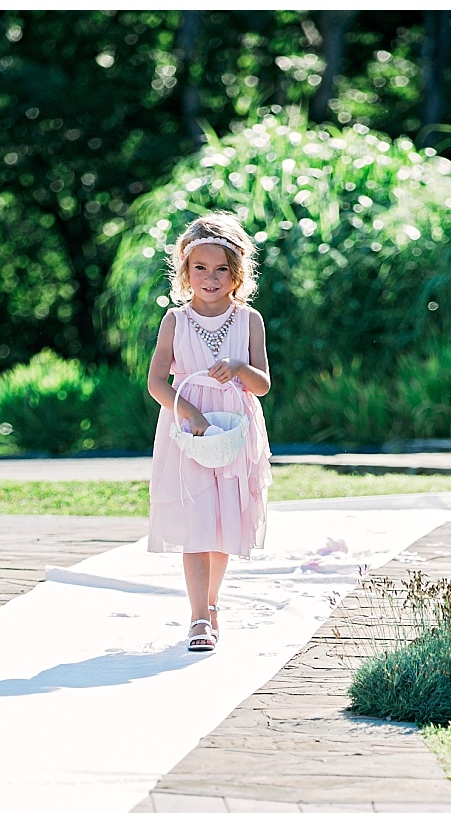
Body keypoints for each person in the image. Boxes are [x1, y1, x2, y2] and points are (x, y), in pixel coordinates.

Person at [147, 211, 273, 651]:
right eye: (200, 268)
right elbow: (156, 382)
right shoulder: (175, 322)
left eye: (221, 269)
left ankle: (213, 604)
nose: (211, 277)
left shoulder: (249, 321)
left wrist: (240, 367)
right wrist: (191, 412)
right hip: (189, 429)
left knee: (222, 521)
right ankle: (198, 616)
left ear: (236, 274)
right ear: (185, 272)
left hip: (235, 432)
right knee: (197, 518)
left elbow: (263, 385)